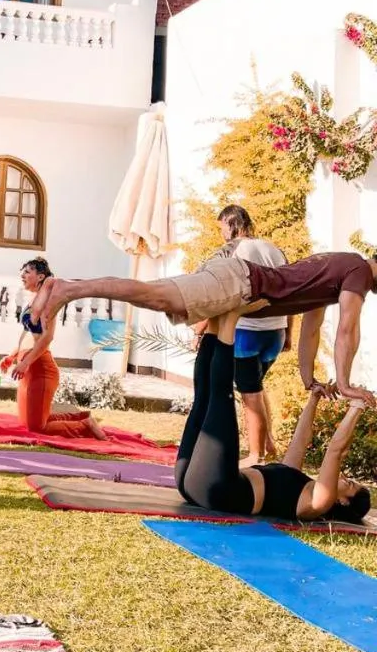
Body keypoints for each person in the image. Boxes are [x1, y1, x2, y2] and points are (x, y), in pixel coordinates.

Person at [30, 249, 377, 405]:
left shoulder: (341, 267)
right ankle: (69, 289)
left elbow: (311, 332)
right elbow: (348, 327)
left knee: (155, 296)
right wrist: (345, 384)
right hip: (240, 282)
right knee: (155, 296)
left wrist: (309, 381)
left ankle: (69, 289)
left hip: (237, 278)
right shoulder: (359, 271)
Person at [177, 318, 371, 525]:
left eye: (349, 484)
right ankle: (216, 322)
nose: (343, 478)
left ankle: (230, 318)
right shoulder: (297, 484)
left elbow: (336, 451)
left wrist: (357, 406)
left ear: (342, 502)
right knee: (204, 399)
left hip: (217, 488)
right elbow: (300, 440)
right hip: (192, 483)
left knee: (219, 396)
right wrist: (314, 398)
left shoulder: (317, 502)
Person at [216, 204, 292, 466]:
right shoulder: (274, 249)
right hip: (276, 334)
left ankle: (255, 455)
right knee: (257, 388)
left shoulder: (235, 252)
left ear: (231, 224)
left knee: (250, 393)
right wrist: (289, 333)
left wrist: (204, 328)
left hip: (248, 333)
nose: (221, 234)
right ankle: (268, 444)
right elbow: (290, 293)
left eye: (222, 228)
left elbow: (226, 294)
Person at [0, 258, 106, 439]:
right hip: (29, 365)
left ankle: (84, 426)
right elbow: (27, 334)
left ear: (40, 276)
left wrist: (25, 363)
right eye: (23, 272)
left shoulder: (49, 300)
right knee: (30, 423)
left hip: (41, 368)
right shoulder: (34, 298)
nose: (22, 275)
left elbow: (48, 337)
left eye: (27, 272)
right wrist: (12, 356)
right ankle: (83, 418)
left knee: (37, 428)